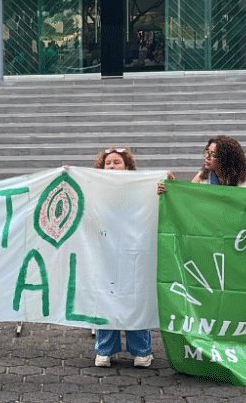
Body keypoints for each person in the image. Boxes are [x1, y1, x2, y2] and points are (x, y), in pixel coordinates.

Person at [91, 147, 154, 369]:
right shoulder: (95, 188)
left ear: (127, 167)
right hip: (105, 251)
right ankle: (105, 350)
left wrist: (167, 185)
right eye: (108, 163)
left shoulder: (141, 188)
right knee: (106, 296)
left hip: (134, 251)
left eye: (117, 162)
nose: (112, 166)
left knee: (135, 297)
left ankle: (141, 351)